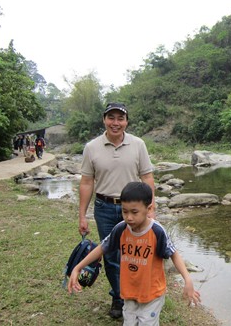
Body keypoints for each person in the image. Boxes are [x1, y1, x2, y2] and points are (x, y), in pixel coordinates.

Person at [68, 182, 200, 325]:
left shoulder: (157, 231)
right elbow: (102, 247)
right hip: (129, 292)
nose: (129, 217)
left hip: (152, 294)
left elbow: (173, 254)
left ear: (148, 209)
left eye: (134, 212)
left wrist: (188, 279)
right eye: (125, 211)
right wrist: (78, 267)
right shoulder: (121, 229)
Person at [78, 102, 156, 319]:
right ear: (104, 120)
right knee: (112, 256)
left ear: (126, 121)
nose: (116, 123)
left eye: (120, 118)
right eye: (111, 118)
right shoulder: (91, 147)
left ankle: (139, 296)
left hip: (134, 210)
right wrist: (82, 215)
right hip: (104, 208)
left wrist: (150, 209)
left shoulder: (138, 144)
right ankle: (119, 298)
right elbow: (86, 182)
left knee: (137, 255)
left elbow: (147, 177)